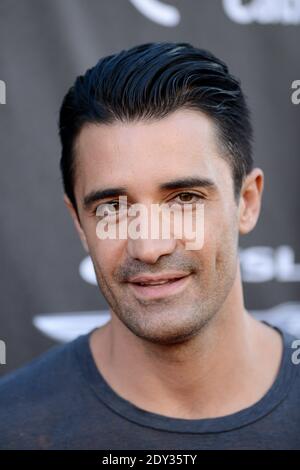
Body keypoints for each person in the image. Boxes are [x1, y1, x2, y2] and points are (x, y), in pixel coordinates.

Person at [0, 42, 299, 450]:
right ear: (79, 224)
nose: (149, 246)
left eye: (185, 199)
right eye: (113, 207)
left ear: (246, 202)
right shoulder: (12, 424)